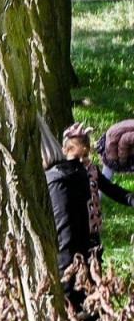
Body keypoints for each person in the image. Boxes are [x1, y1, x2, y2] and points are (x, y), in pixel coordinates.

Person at [64, 122, 134, 256]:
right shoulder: (63, 175)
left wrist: (130, 199)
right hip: (72, 229)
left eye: (84, 156)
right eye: (75, 157)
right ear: (65, 152)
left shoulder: (91, 170)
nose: (81, 161)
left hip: (91, 226)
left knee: (94, 258)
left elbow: (111, 189)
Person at [41, 119, 93, 284]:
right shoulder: (68, 174)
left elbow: (65, 232)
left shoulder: (59, 181)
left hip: (71, 268)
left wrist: (65, 278)